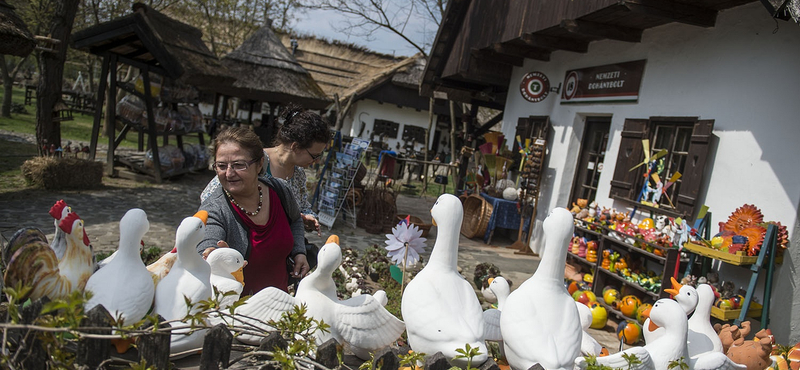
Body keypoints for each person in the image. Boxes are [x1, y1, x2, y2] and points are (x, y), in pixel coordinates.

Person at [198, 127, 311, 294]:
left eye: (238, 165)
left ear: (259, 165)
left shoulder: (280, 191)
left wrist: (299, 252)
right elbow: (206, 248)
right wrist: (214, 257)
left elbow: (295, 220)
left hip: (280, 306)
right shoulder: (215, 209)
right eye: (221, 166)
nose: (229, 173)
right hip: (239, 314)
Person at [201, 104, 330, 235]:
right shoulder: (254, 162)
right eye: (315, 156)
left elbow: (302, 206)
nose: (317, 161)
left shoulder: (298, 173)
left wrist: (307, 218)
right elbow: (208, 198)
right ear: (295, 147)